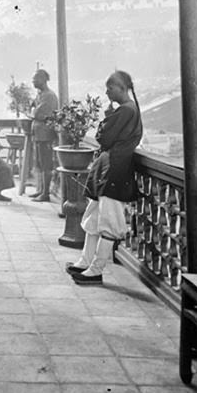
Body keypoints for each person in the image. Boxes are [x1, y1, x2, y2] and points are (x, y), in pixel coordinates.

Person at [67, 70, 143, 285]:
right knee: (94, 216)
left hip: (115, 170)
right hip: (109, 168)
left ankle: (96, 269)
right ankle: (85, 262)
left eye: (110, 88)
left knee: (108, 220)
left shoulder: (126, 111)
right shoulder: (129, 110)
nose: (107, 92)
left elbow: (104, 137)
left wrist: (108, 118)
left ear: (121, 87)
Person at [29, 68, 59, 202]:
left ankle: (45, 193)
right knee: (40, 163)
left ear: (43, 79)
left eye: (36, 78)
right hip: (38, 134)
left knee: (46, 164)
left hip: (45, 135)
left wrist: (34, 111)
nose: (33, 81)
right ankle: (41, 190)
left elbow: (38, 114)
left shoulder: (49, 96)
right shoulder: (40, 95)